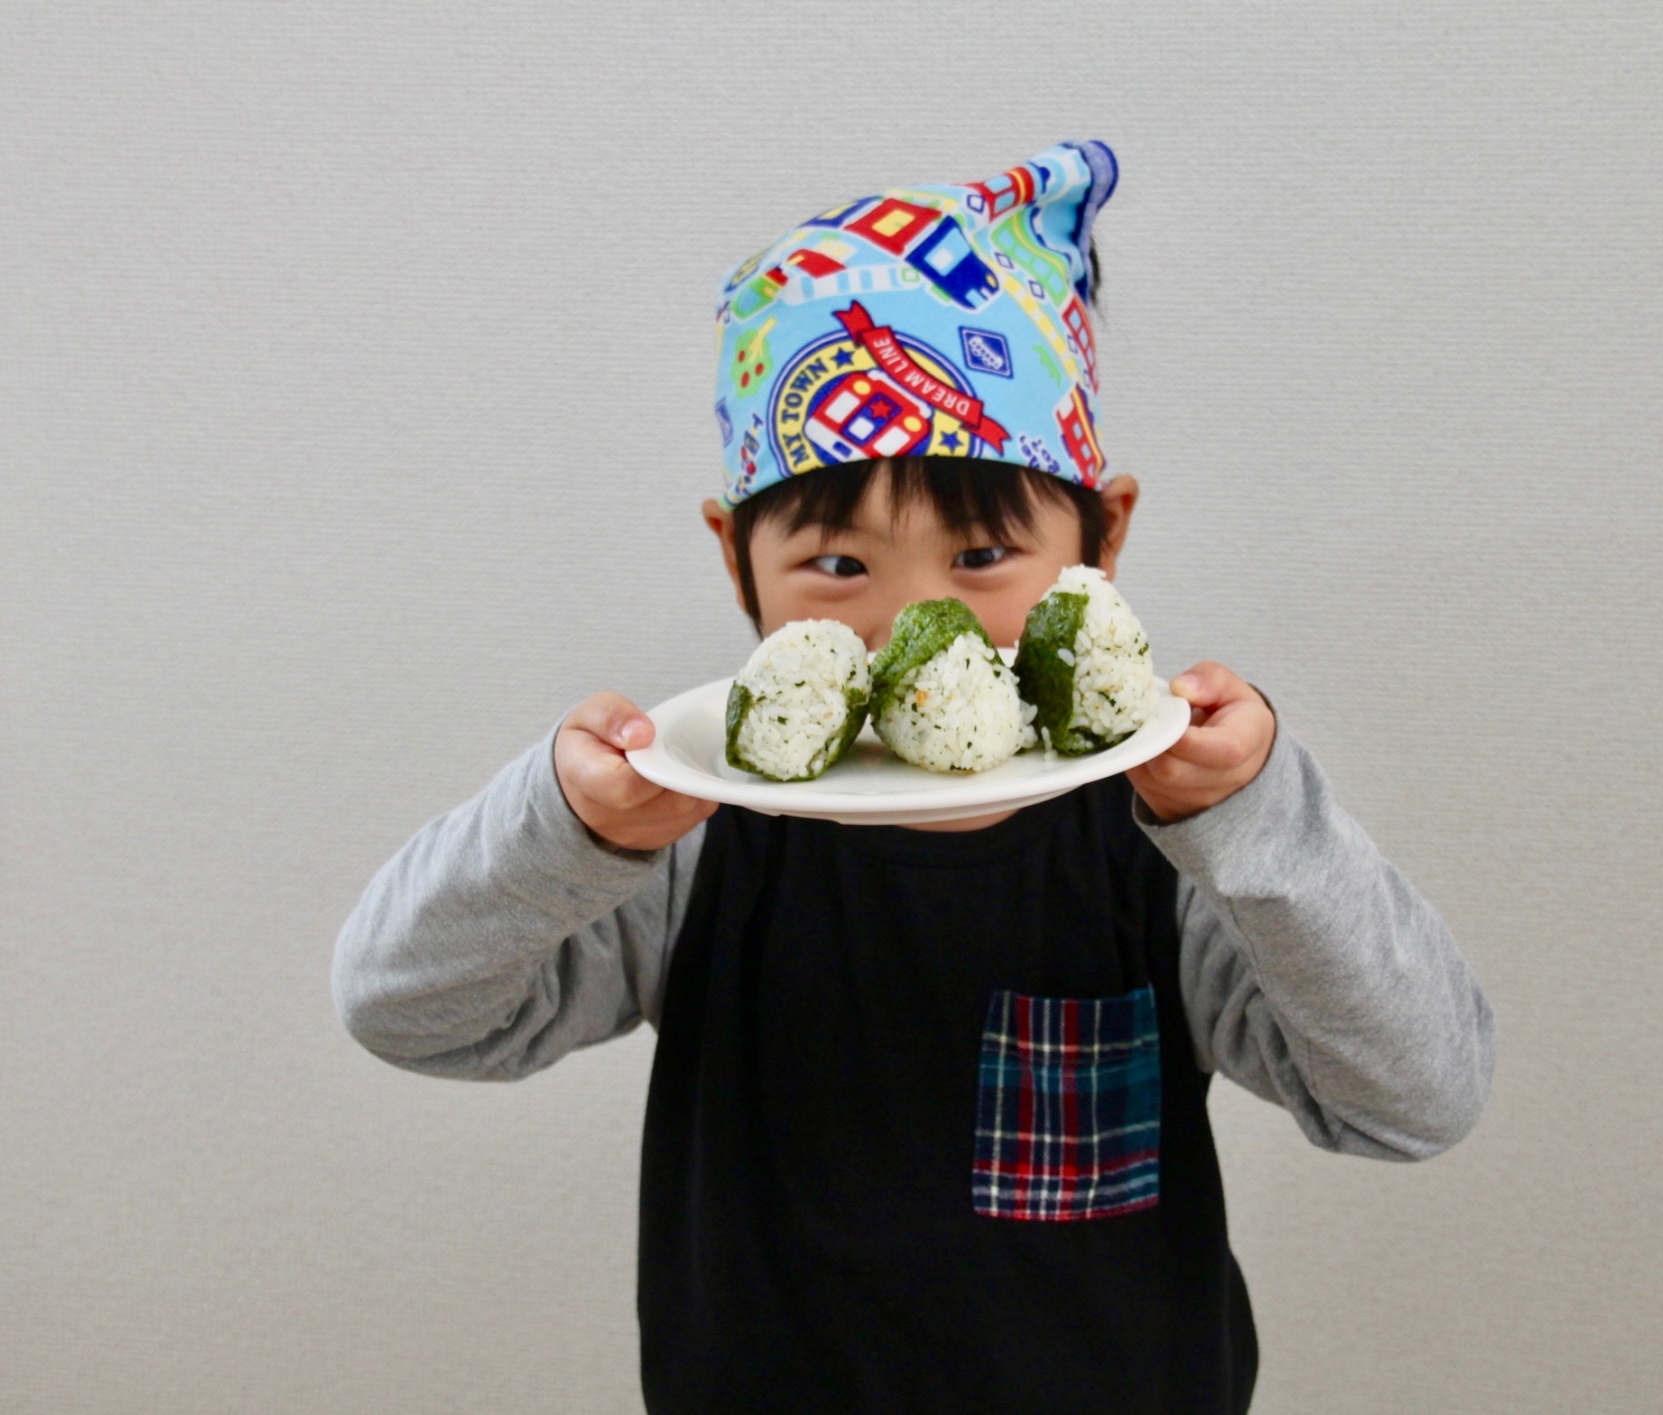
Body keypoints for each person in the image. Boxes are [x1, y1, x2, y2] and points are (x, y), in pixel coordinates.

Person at [333, 140, 1496, 1414]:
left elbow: (1415, 1096)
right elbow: (408, 1007)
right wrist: (573, 831)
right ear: (738, 565)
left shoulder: (1165, 839)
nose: (907, 624)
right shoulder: (703, 835)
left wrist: (1252, 814)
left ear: (1104, 539)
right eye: (838, 567)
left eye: (987, 551)